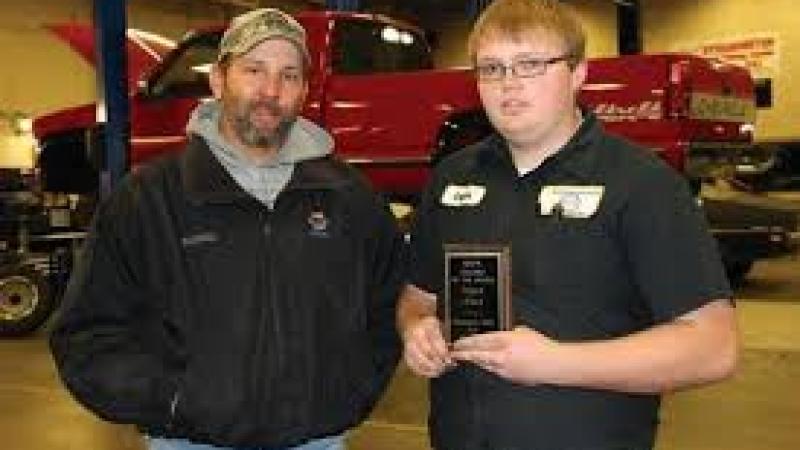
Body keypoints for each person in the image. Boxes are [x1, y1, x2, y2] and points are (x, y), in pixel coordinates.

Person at [50, 8, 405, 450]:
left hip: (317, 441)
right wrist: (175, 399)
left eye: (288, 75)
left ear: (304, 91)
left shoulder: (352, 199)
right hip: (189, 442)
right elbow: (87, 334)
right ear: (218, 81)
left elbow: (392, 304)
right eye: (253, 70)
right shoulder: (147, 199)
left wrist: (350, 392)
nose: (270, 91)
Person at [397, 1, 739, 449]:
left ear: (578, 73)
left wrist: (553, 362)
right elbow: (417, 298)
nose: (510, 84)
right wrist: (417, 330)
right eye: (492, 68)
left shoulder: (642, 185)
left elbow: (713, 347)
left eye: (531, 64)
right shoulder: (452, 179)